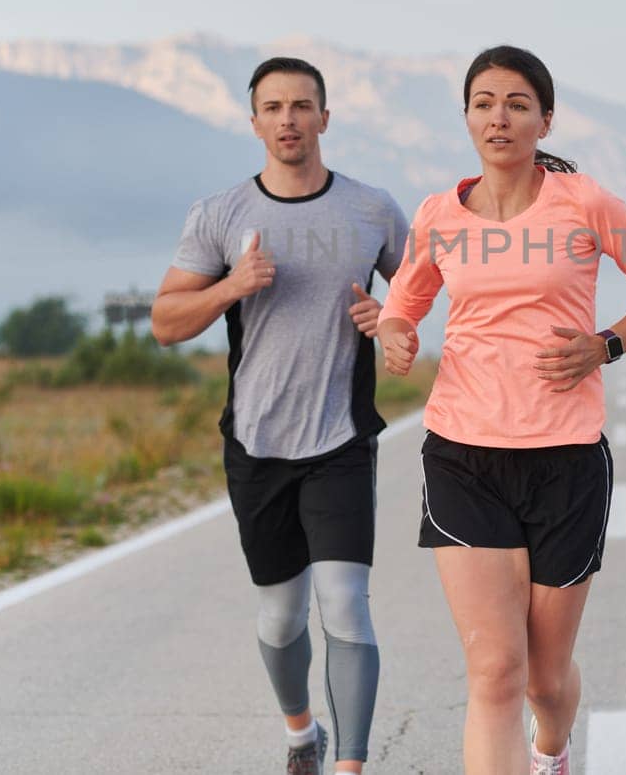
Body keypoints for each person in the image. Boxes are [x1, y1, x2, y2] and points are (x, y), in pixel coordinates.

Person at [376, 45, 626, 775]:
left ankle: (553, 749)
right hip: (462, 452)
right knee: (495, 675)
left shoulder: (585, 202)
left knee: (546, 678)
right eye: (483, 102)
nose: (499, 116)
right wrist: (395, 332)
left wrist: (603, 345)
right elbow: (403, 304)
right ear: (466, 118)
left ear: (545, 119)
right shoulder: (438, 214)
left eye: (516, 103)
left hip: (566, 458)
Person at [152, 57, 408, 775]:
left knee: (345, 604)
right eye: (274, 107)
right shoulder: (221, 214)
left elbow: (428, 287)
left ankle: (352, 766)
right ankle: (302, 731)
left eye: (302, 105)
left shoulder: (371, 208)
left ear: (325, 117)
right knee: (280, 617)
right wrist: (231, 286)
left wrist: (389, 317)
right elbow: (166, 322)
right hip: (256, 442)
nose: (289, 119)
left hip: (341, 437)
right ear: (255, 120)